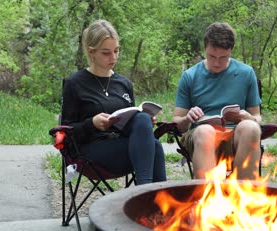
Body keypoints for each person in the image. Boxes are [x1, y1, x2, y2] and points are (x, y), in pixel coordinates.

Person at [61, 19, 166, 185]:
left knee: (143, 121)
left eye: (116, 51)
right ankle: (145, 195)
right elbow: (65, 133)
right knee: (155, 148)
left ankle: (152, 203)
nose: (114, 57)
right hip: (90, 151)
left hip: (122, 144)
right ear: (91, 52)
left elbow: (131, 126)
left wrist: (145, 122)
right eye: (106, 52)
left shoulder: (124, 83)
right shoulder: (75, 83)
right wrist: (92, 123)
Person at [172, 22, 262, 180]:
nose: (217, 63)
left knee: (251, 127)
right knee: (205, 131)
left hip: (235, 135)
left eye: (223, 57)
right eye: (212, 56)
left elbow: (257, 116)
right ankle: (208, 197)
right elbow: (177, 122)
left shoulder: (246, 73)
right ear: (205, 48)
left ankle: (244, 196)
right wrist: (187, 118)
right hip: (200, 136)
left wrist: (249, 118)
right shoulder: (190, 76)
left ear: (231, 50)